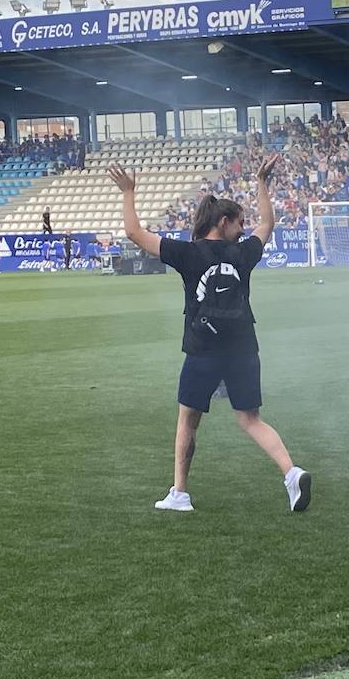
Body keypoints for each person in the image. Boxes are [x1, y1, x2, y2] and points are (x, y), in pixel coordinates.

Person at [108, 156, 312, 514]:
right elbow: (268, 223)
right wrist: (262, 183)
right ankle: (291, 473)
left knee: (188, 419)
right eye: (239, 223)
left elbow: (133, 233)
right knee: (251, 419)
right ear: (223, 221)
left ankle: (180, 493)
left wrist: (128, 192)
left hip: (202, 350)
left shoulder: (187, 253)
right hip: (244, 347)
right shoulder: (243, 253)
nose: (243, 228)